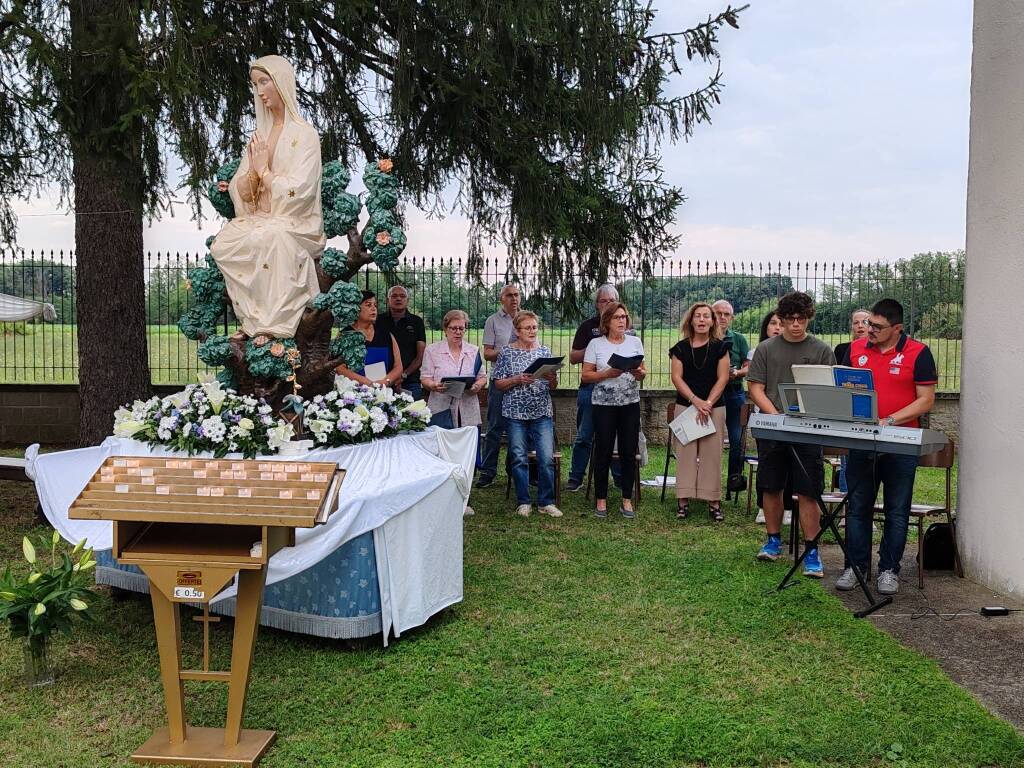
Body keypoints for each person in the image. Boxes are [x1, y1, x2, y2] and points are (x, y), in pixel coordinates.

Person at [211, 56, 325, 340]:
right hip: (258, 218)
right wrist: (252, 175)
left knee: (272, 238)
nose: (260, 91)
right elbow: (242, 188)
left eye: (264, 81)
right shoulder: (259, 136)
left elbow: (302, 189)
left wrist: (265, 171)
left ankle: (273, 325)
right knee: (223, 244)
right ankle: (251, 320)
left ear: (282, 82)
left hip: (294, 219)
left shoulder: (305, 135)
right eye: (255, 84)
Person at [835, 298, 937, 595]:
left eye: (877, 327)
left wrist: (890, 420)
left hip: (901, 443)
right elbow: (841, 388)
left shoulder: (919, 353)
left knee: (897, 510)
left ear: (898, 328)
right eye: (868, 324)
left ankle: (889, 570)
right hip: (861, 441)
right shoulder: (854, 350)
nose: (869, 331)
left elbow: (926, 399)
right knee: (857, 507)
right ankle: (855, 567)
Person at [747, 291, 836, 577]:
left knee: (808, 490)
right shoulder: (766, 349)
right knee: (771, 485)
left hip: (808, 429)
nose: (795, 324)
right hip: (773, 428)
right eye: (789, 319)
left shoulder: (822, 350)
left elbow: (829, 392)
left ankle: (811, 550)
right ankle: (773, 540)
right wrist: (774, 416)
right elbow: (755, 388)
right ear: (781, 320)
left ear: (808, 318)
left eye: (801, 319)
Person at [492, 311, 562, 518]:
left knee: (546, 458)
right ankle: (524, 501)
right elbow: (498, 383)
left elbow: (554, 386)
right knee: (519, 458)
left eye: (534, 327)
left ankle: (546, 502)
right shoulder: (506, 352)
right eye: (528, 328)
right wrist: (516, 379)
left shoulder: (544, 351)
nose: (532, 331)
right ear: (517, 331)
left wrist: (551, 378)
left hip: (541, 411)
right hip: (515, 413)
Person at [581, 302, 646, 519]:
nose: (622, 321)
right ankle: (601, 499)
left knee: (628, 451)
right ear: (607, 321)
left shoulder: (635, 342)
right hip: (603, 405)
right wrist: (607, 374)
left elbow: (643, 370)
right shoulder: (595, 344)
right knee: (603, 451)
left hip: (630, 403)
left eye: (624, 317)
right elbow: (586, 375)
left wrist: (639, 374)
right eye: (617, 317)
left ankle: (626, 499)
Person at [669, 303, 730, 521]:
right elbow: (676, 378)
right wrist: (695, 401)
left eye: (706, 316)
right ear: (691, 321)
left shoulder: (721, 348)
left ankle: (713, 501)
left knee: (711, 455)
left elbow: (723, 378)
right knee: (685, 454)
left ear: (713, 321)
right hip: (686, 406)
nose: (702, 320)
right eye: (698, 316)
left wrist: (708, 403)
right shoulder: (680, 348)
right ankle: (683, 500)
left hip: (714, 407)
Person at [567, 284, 623, 492]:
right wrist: (594, 347)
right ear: (596, 304)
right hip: (590, 388)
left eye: (611, 301)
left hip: (617, 390)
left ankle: (618, 478)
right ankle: (576, 477)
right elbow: (573, 357)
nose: (607, 304)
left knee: (616, 435)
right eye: (603, 301)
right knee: (584, 435)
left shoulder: (624, 327)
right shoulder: (587, 327)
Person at [477, 283, 521, 488]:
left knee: (519, 428)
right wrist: (508, 349)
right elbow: (487, 353)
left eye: (517, 295)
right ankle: (488, 472)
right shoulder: (492, 321)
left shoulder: (526, 318)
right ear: (501, 299)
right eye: (509, 295)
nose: (514, 299)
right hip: (500, 381)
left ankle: (515, 469)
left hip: (523, 381)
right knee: (495, 427)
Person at [421, 310, 486, 429]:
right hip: (442, 409)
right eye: (453, 328)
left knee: (468, 446)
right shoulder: (432, 351)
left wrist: (477, 386)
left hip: (468, 408)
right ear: (445, 329)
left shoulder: (473, 351)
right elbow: (425, 378)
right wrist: (433, 385)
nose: (458, 332)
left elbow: (482, 377)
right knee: (442, 446)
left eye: (461, 328)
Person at [712, 300, 751, 492]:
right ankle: (708, 482)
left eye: (726, 314)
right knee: (709, 439)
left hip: (734, 392)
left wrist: (735, 373)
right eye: (718, 313)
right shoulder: (705, 337)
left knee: (737, 439)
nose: (722, 317)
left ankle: (734, 481)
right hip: (710, 394)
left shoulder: (739, 339)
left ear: (732, 318)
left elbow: (748, 366)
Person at [833, 308, 870, 491]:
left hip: (870, 408)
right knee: (847, 459)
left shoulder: (878, 350)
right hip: (847, 407)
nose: (860, 326)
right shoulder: (842, 349)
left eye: (865, 321)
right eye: (856, 322)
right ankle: (844, 507)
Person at [335, 291, 403, 388]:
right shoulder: (344, 335)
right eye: (368, 305)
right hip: (353, 394)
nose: (374, 308)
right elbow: (340, 368)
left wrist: (385, 382)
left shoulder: (387, 335)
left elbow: (398, 367)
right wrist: (366, 383)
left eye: (375, 305)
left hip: (384, 392)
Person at [376, 285, 427, 399]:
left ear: (407, 300)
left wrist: (403, 375)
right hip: (381, 380)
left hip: (410, 381)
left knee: (414, 415)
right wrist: (389, 378)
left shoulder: (416, 322)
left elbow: (420, 356)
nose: (398, 299)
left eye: (402, 296)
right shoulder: (377, 321)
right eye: (394, 296)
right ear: (387, 300)